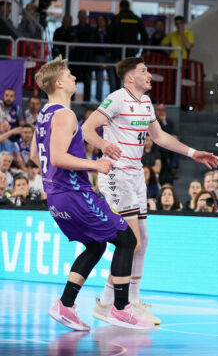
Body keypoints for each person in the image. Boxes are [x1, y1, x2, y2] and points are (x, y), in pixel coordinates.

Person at [82, 57, 218, 325]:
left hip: (136, 175)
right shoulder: (116, 99)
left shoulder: (146, 102)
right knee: (131, 241)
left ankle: (124, 301)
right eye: (144, 71)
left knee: (143, 239)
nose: (150, 75)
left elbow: (160, 137)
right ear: (130, 77)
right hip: (116, 174)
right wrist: (104, 145)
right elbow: (87, 129)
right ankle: (114, 304)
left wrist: (193, 153)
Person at [32, 56, 152, 330]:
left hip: (56, 196)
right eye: (69, 75)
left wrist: (54, 180)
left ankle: (65, 305)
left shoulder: (44, 114)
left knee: (96, 245)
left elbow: (35, 155)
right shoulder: (65, 114)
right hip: (74, 194)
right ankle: (120, 309)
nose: (74, 77)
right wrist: (95, 164)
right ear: (59, 83)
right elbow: (58, 157)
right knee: (127, 240)